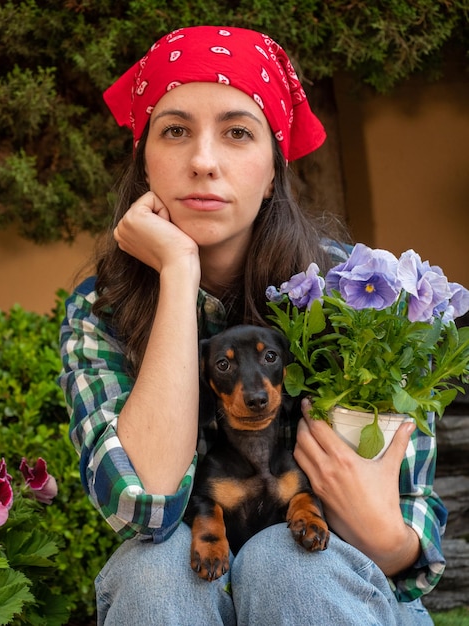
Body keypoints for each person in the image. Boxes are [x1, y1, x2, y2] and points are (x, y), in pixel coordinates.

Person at [58, 25, 447, 626]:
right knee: (153, 569)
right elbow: (148, 507)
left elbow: (407, 545)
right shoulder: (99, 310)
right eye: (175, 131)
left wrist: (381, 531)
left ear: (273, 169)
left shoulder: (360, 292)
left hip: (342, 587)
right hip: (177, 579)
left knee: (284, 562)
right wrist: (177, 270)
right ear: (143, 161)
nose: (203, 161)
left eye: (238, 132)